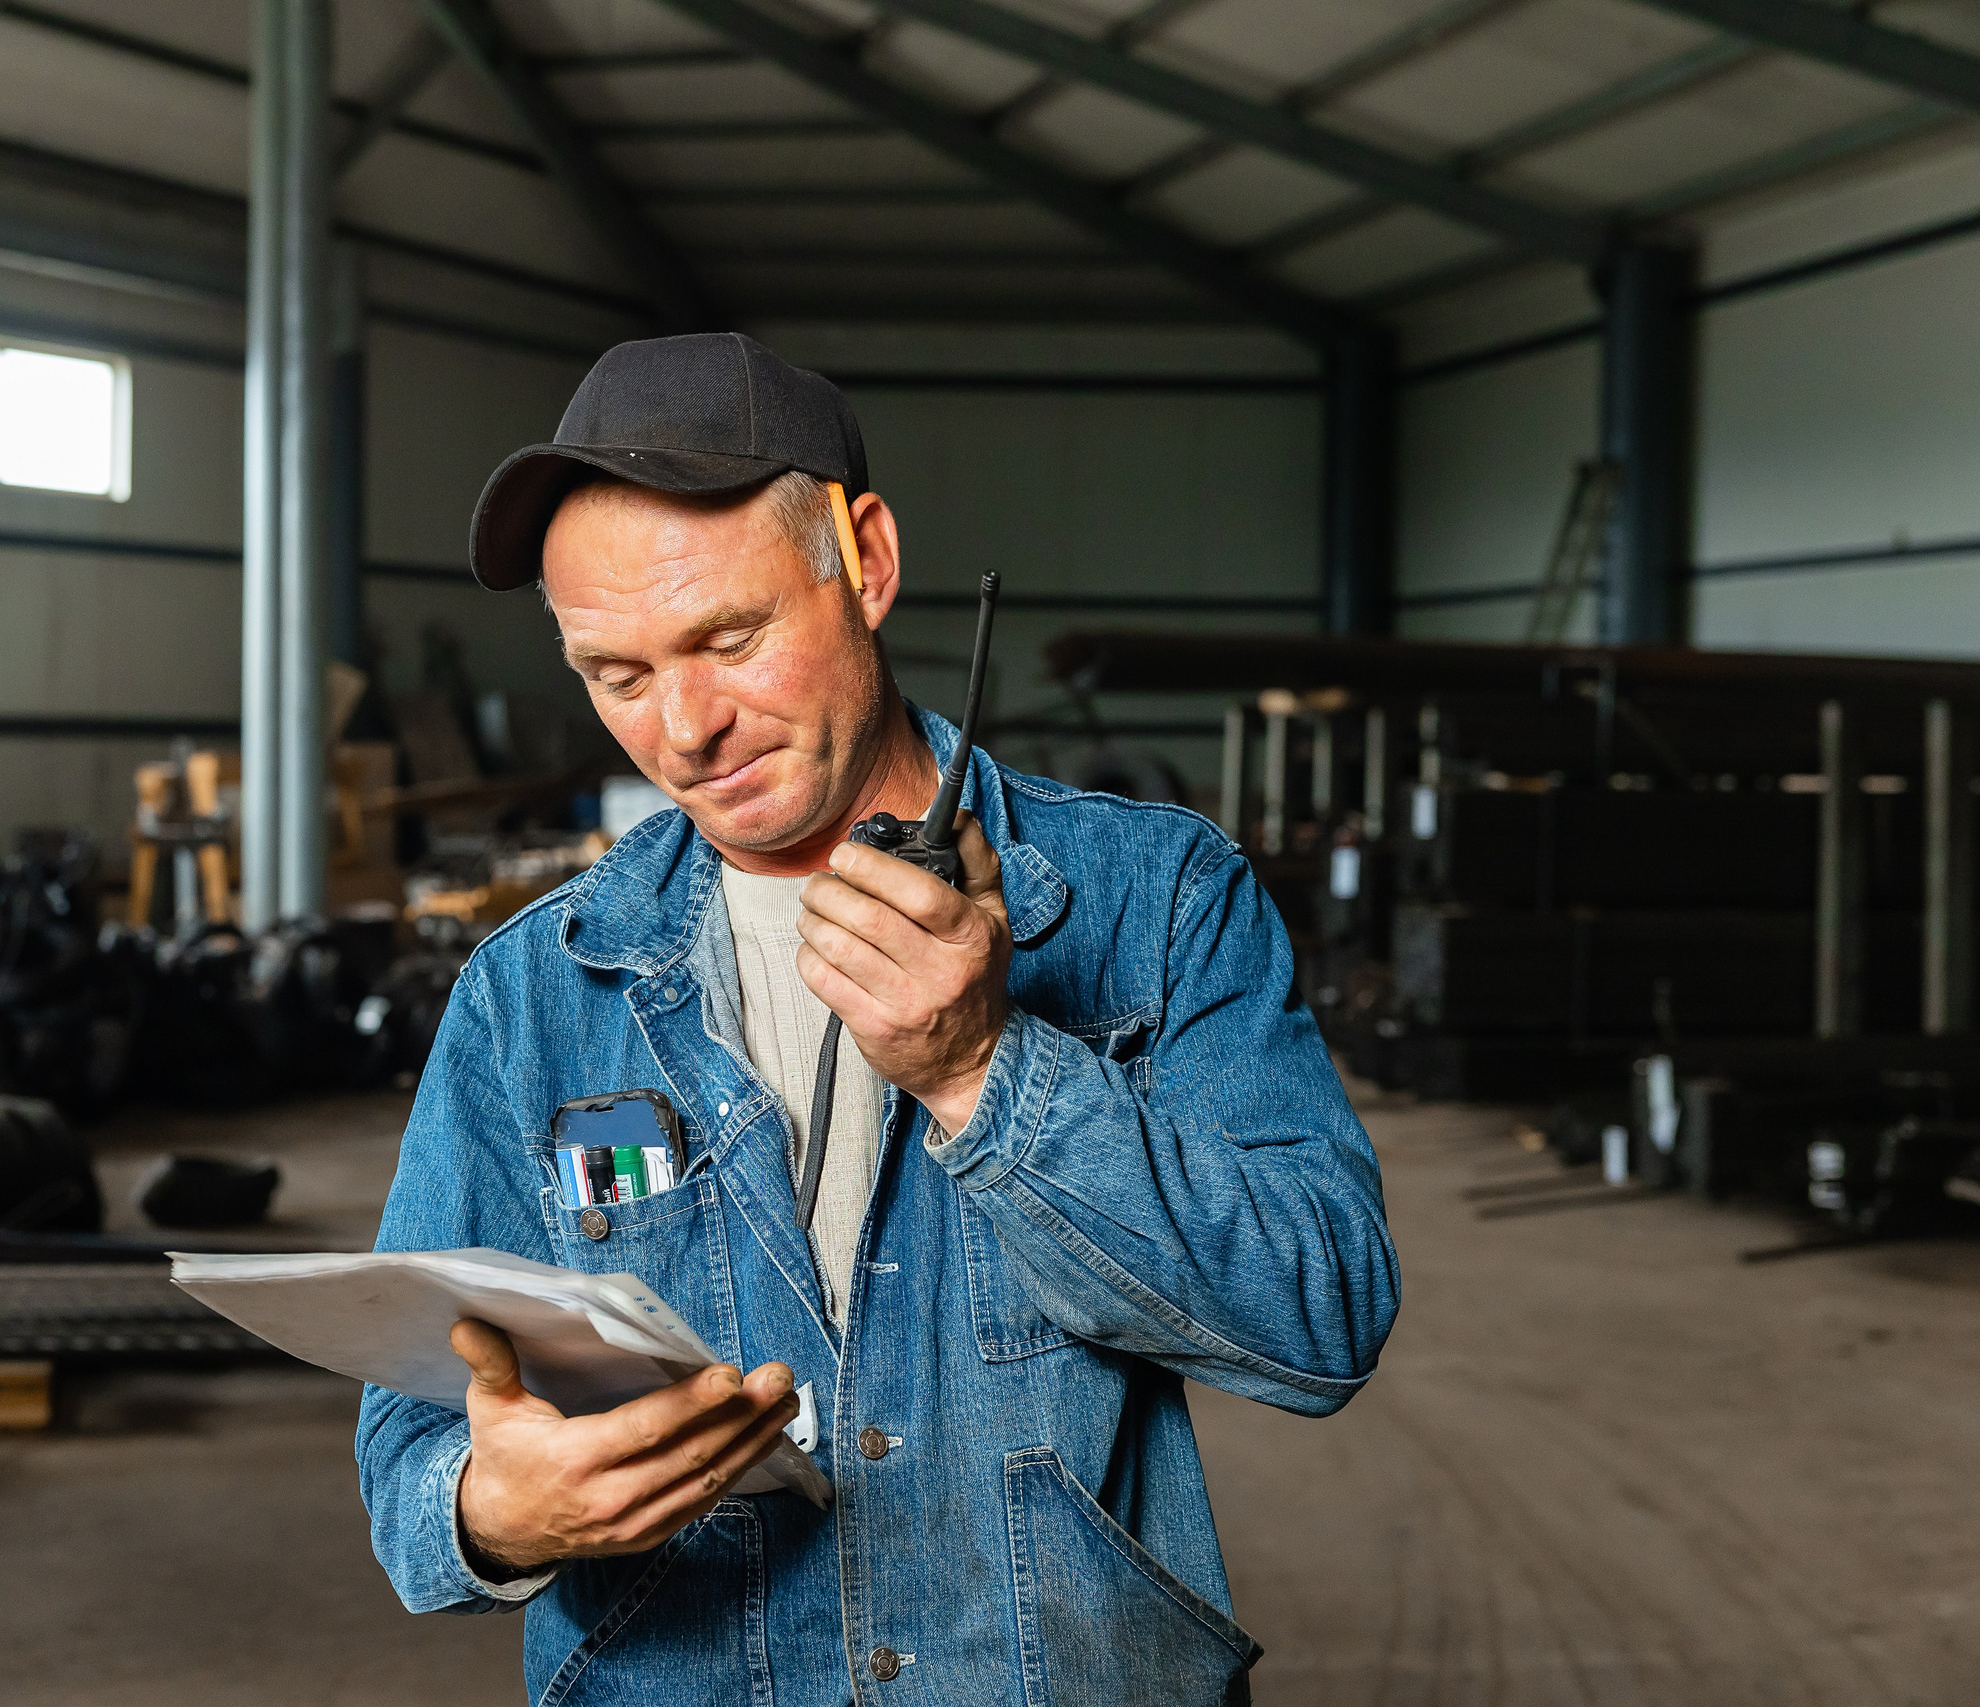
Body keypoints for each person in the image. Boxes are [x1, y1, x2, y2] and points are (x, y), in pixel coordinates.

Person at [356, 332, 1399, 1705]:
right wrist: (492, 1511)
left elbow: (1320, 1317)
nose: (684, 728)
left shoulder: (1153, 901)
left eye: (730, 639)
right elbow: (410, 1454)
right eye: (617, 674)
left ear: (868, 562)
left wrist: (985, 1074)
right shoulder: (535, 994)